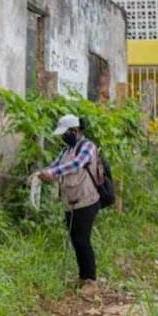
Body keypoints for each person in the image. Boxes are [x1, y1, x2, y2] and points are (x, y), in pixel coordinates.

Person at [34, 114, 101, 298]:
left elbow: (77, 164)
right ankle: (83, 277)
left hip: (87, 201)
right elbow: (55, 166)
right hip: (71, 203)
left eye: (66, 133)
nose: (64, 136)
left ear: (75, 130)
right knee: (76, 239)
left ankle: (91, 281)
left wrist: (53, 172)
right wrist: (42, 174)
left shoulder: (87, 146)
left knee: (83, 240)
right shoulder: (66, 150)